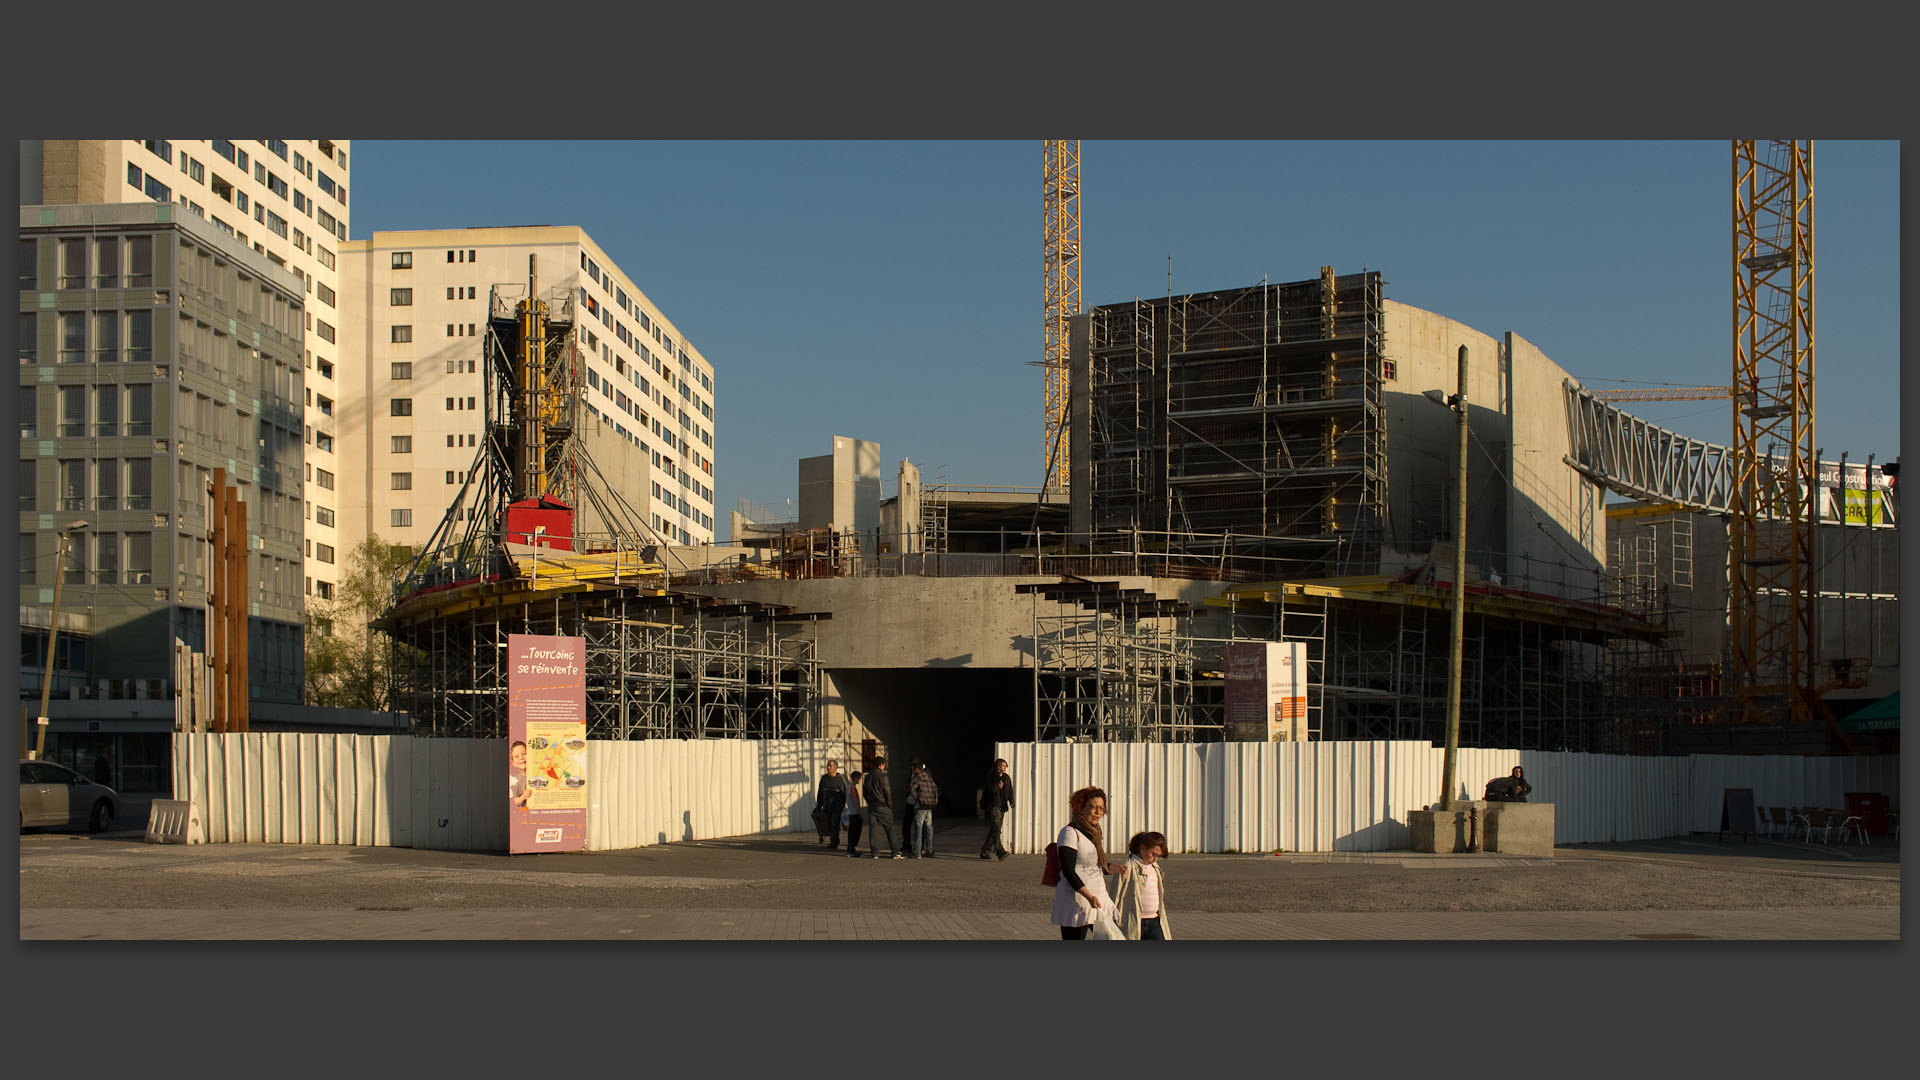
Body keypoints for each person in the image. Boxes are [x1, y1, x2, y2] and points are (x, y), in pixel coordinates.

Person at [1050, 785, 1128, 939]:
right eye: (1093, 807)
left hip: (1099, 898)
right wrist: (1088, 896)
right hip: (1077, 901)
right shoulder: (1069, 833)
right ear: (1080, 807)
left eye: (1101, 808)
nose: (1098, 812)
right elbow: (1068, 870)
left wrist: (1117, 868)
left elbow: (1096, 866)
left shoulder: (1094, 833)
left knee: (1112, 938)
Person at [1111, 831, 1173, 940]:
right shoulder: (1126, 867)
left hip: (1154, 920)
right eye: (1153, 854)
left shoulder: (1155, 868)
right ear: (1142, 848)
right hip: (1133, 921)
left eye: (1158, 856)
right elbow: (1115, 895)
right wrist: (1111, 919)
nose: (1155, 859)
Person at [862, 757, 902, 859]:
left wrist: (869, 801)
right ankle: (895, 852)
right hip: (882, 805)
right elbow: (887, 791)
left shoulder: (867, 776)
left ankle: (874, 852)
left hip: (872, 806)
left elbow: (864, 793)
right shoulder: (883, 776)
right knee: (890, 829)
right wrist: (889, 804)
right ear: (881, 765)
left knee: (873, 830)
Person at [979, 758, 1014, 860]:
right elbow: (992, 789)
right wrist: (998, 781)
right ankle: (1000, 851)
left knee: (995, 829)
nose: (1004, 768)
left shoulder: (1006, 778)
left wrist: (1012, 801)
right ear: (998, 766)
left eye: (1005, 766)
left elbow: (1010, 790)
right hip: (993, 806)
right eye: (1002, 766)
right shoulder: (991, 776)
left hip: (1002, 807)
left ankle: (985, 851)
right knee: (997, 828)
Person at [908, 759, 940, 857]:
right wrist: (934, 801)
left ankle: (917, 852)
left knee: (918, 827)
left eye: (913, 769)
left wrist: (917, 798)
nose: (912, 770)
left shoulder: (916, 778)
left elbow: (912, 789)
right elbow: (935, 789)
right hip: (929, 805)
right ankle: (930, 850)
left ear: (917, 769)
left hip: (920, 805)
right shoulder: (929, 777)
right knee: (929, 827)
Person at [816, 759, 849, 848]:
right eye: (827, 765)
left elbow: (846, 792)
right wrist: (818, 805)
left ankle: (834, 842)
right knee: (829, 823)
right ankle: (832, 839)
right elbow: (820, 793)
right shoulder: (824, 779)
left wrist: (849, 805)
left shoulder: (841, 779)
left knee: (835, 823)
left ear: (835, 767)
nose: (828, 767)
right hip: (827, 806)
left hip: (837, 806)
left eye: (830, 766)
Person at [843, 770, 865, 858]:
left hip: (851, 813)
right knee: (855, 833)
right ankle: (851, 850)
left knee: (852, 832)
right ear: (856, 778)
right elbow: (854, 802)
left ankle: (851, 850)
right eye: (860, 778)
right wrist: (860, 813)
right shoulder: (852, 788)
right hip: (854, 813)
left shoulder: (849, 787)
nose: (860, 780)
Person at [508, 740, 530, 810]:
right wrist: (523, 797)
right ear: (513, 763)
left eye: (524, 753)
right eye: (516, 756)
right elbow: (516, 801)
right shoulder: (514, 780)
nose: (521, 758)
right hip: (527, 813)